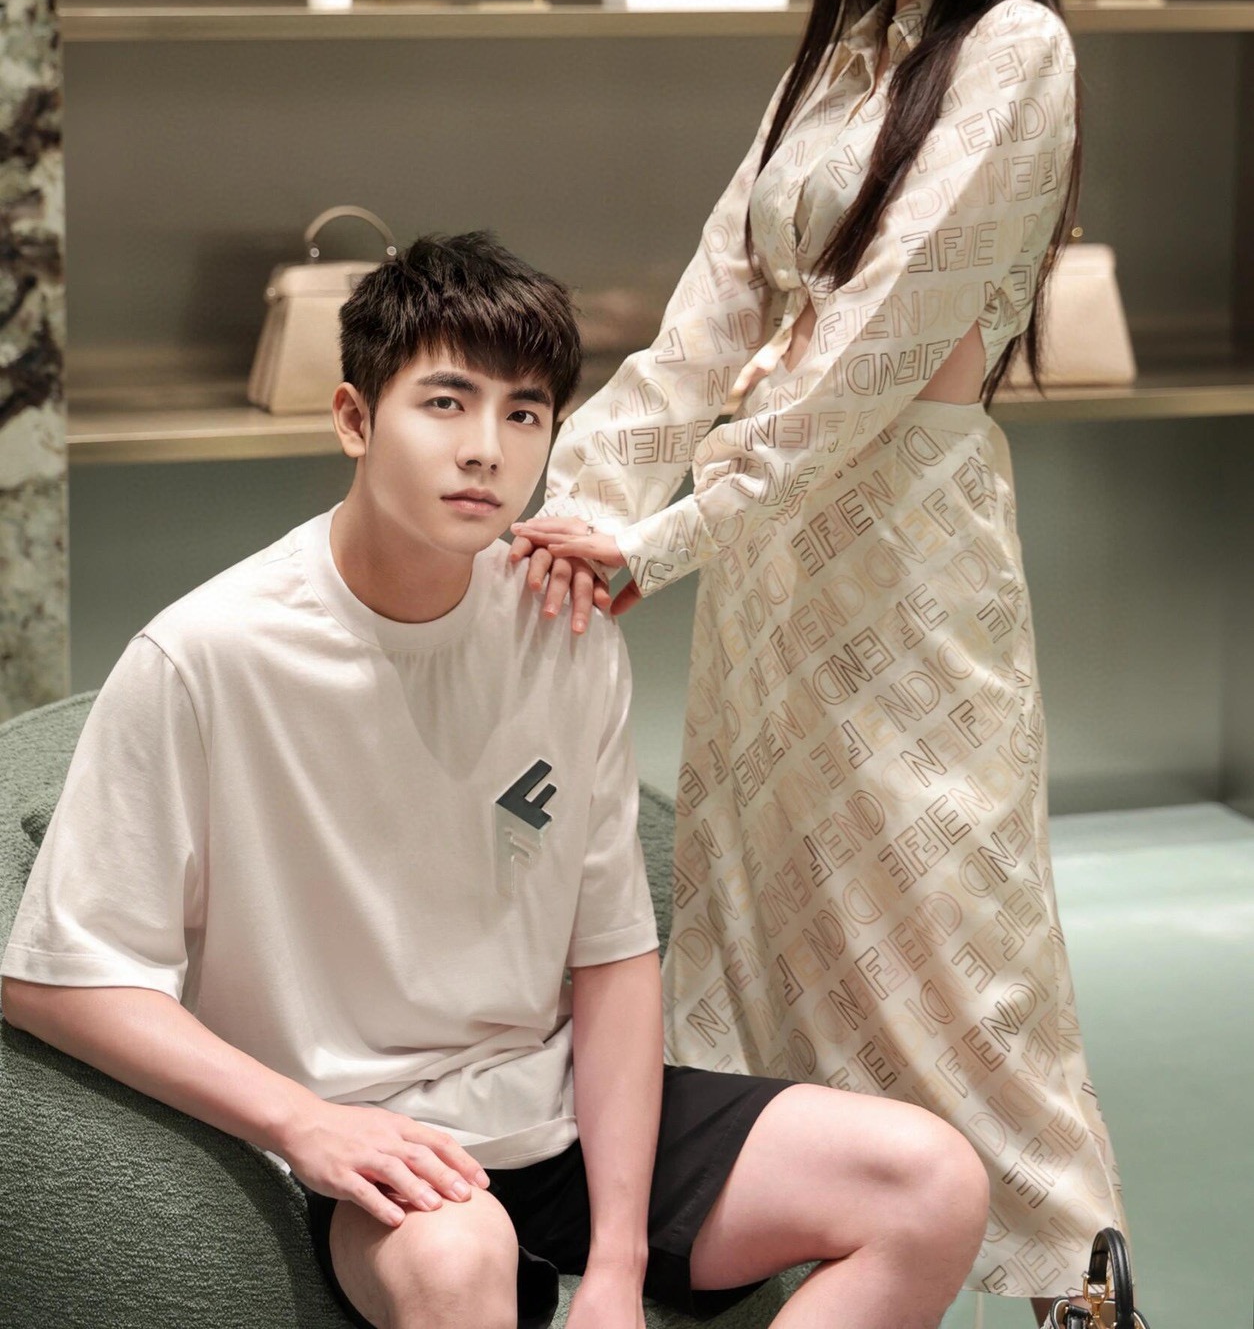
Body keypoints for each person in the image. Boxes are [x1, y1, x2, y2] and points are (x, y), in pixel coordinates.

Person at [1, 232, 989, 1329]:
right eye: (445, 403)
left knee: (930, 1184)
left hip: (555, 1113)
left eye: (523, 414)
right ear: (354, 419)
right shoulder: (204, 656)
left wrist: (615, 1268)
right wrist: (302, 1125)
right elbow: (57, 977)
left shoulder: (562, 624)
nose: (485, 449)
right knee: (458, 1259)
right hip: (371, 1145)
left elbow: (612, 955)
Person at [515, 0, 1126, 1310]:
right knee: (762, 926)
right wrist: (565, 506)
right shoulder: (836, 53)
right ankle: (817, 1252)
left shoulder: (1016, 52)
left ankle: (1080, 1286)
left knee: (954, 941)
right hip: (773, 567)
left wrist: (656, 541)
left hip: (907, 553)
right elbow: (706, 318)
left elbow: (861, 356)